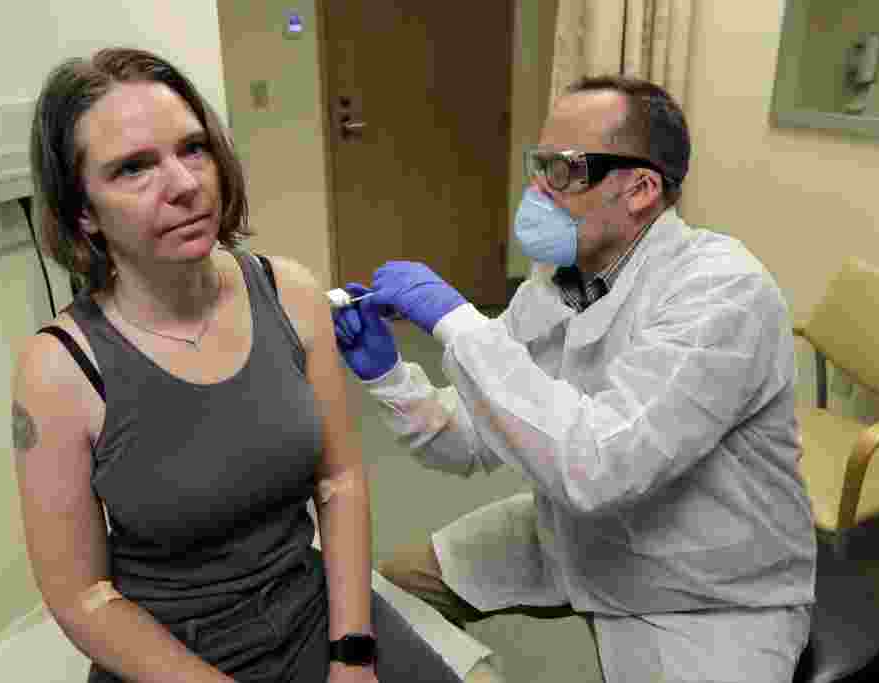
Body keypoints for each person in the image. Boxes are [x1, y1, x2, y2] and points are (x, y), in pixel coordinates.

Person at [12, 47, 475, 683]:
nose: (184, 184)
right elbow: (83, 595)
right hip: (171, 653)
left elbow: (339, 481)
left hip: (310, 609)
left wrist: (352, 654)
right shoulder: (59, 369)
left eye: (193, 148)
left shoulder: (291, 294)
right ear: (82, 211)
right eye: (133, 168)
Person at [332, 76, 817, 682]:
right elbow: (469, 437)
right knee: (395, 597)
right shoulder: (555, 283)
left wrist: (461, 325)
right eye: (539, 166)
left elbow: (601, 465)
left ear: (641, 188)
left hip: (704, 587)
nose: (537, 189)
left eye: (564, 169)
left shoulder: (722, 292)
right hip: (579, 534)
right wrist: (389, 376)